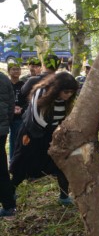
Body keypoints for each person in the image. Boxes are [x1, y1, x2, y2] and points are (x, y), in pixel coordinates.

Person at [10, 72, 78, 206]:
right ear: (57, 88)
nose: (68, 95)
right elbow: (36, 117)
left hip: (53, 135)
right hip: (33, 135)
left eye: (71, 92)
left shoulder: (67, 100)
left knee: (60, 164)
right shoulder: (41, 91)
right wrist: (54, 131)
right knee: (24, 164)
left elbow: (65, 118)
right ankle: (10, 191)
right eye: (66, 92)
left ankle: (64, 197)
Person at [0, 72, 16, 218]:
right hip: (2, 130)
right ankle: (9, 205)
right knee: (1, 168)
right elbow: (11, 106)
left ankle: (9, 205)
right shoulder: (4, 78)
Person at [7, 63, 28, 160]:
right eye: (13, 69)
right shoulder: (6, 84)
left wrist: (21, 109)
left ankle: (15, 160)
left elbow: (28, 101)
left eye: (18, 69)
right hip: (7, 115)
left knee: (16, 139)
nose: (16, 71)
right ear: (9, 71)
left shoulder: (23, 85)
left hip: (19, 117)